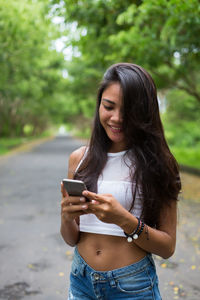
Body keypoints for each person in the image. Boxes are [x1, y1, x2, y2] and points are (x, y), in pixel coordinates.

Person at [60, 63, 181, 299]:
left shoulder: (159, 164)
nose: (116, 118)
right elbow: (71, 238)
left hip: (132, 286)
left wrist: (124, 220)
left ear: (145, 111)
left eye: (128, 110)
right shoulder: (79, 159)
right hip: (81, 281)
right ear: (99, 106)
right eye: (108, 106)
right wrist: (66, 217)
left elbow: (167, 247)